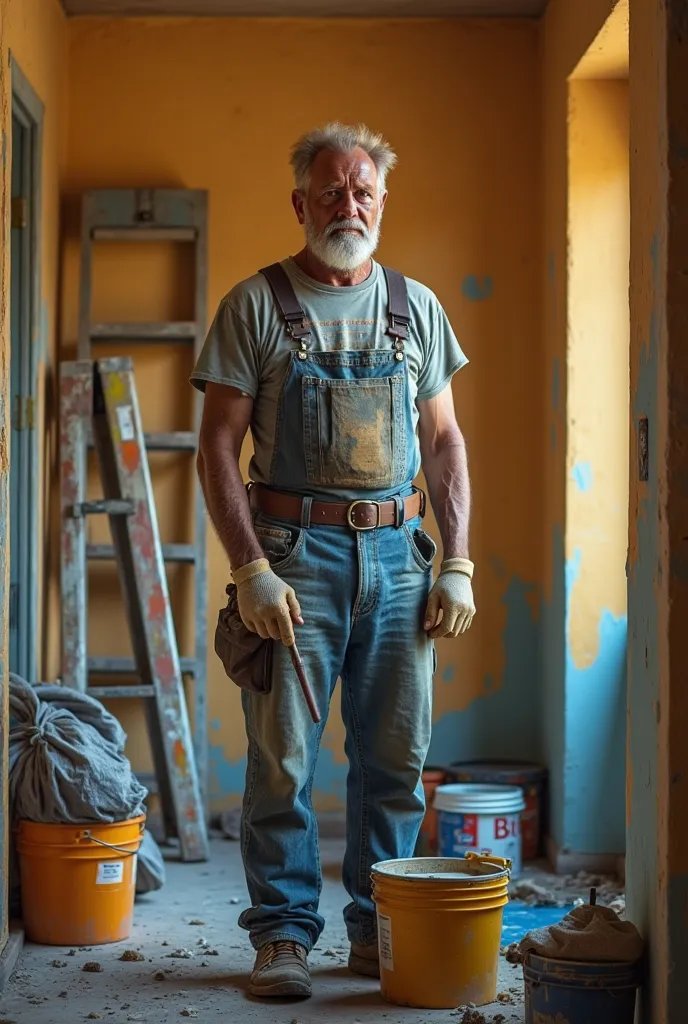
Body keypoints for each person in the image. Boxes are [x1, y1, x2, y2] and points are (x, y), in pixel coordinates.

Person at [192, 122, 476, 1000]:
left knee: (396, 756)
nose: (347, 205)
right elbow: (215, 447)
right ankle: (280, 935)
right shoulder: (255, 304)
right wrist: (249, 570)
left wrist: (457, 560)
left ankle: (376, 931)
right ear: (300, 202)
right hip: (293, 558)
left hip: (399, 556)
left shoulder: (417, 307)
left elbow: (446, 444)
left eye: (362, 192)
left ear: (381, 201)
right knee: (282, 758)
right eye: (330, 192)